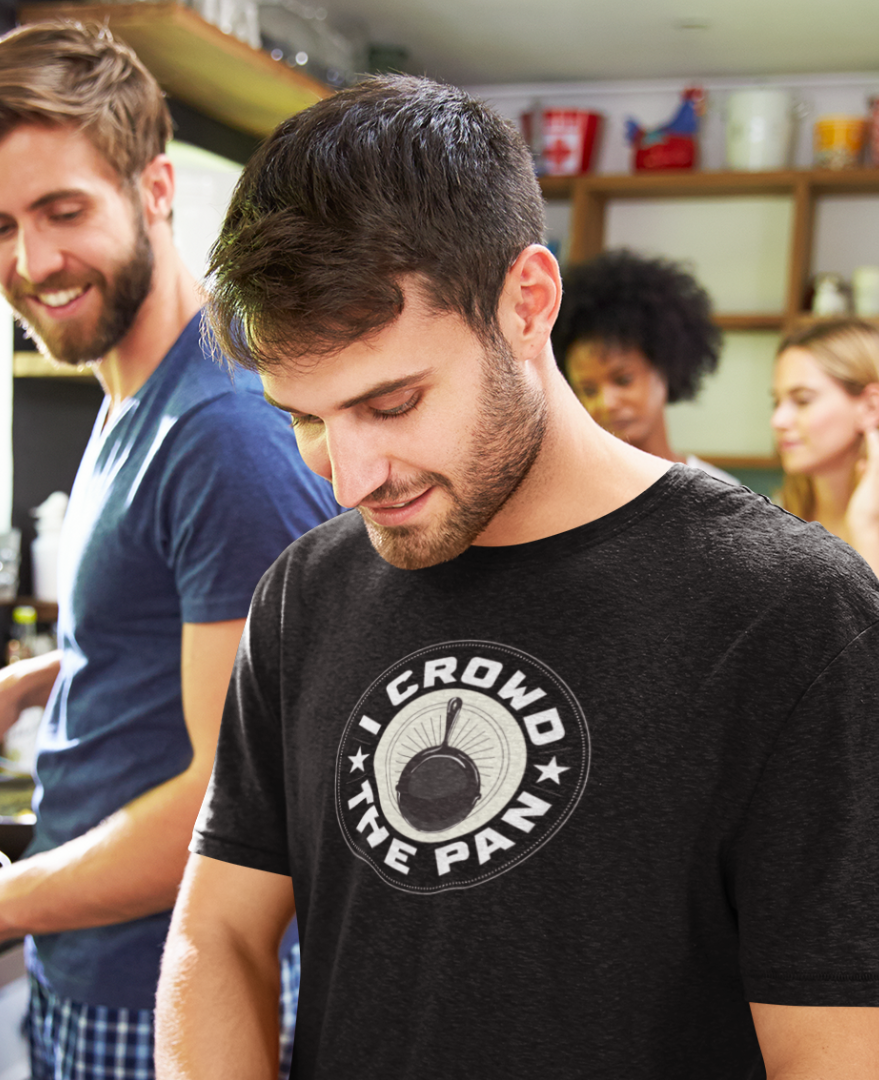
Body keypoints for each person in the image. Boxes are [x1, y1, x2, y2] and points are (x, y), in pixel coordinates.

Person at [152, 75, 879, 1079]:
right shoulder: (302, 596)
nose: (350, 479)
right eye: (306, 419)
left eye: (393, 401)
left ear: (527, 303)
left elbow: (836, 1054)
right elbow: (217, 936)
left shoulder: (792, 610)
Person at [0, 21, 335, 1080]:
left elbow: (239, 800)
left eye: (65, 211)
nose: (33, 263)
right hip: (102, 959)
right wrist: (30, 684)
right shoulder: (137, 394)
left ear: (155, 189)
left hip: (166, 986)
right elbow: (184, 638)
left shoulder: (223, 434)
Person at [551, 247, 737, 482]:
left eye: (623, 380)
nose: (606, 403)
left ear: (666, 366)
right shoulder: (573, 493)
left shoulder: (720, 493)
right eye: (588, 390)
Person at [772, 317, 879, 575]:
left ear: (870, 407)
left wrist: (865, 527)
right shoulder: (778, 512)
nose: (777, 420)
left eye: (803, 400)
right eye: (775, 402)